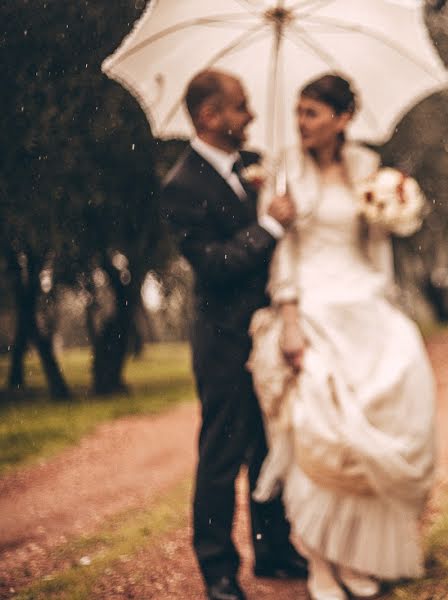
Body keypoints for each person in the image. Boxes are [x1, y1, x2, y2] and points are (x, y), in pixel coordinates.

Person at [246, 74, 436, 600]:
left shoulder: (368, 166)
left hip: (364, 302)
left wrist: (390, 215)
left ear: (342, 118)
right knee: (318, 432)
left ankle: (357, 555)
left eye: (311, 113)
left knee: (377, 418)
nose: (301, 123)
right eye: (298, 111)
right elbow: (284, 251)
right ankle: (320, 564)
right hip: (310, 306)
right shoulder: (282, 166)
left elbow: (375, 246)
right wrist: (289, 317)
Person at [160, 69, 309, 600]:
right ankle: (219, 570)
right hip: (222, 339)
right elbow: (216, 265)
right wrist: (269, 226)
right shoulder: (181, 185)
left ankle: (273, 548)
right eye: (240, 107)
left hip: (265, 334)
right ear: (210, 116)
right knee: (222, 452)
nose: (249, 116)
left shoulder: (252, 166)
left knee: (268, 445)